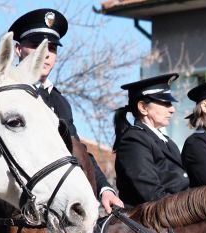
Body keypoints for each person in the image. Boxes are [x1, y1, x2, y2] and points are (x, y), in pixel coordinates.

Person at [8, 8, 122, 213]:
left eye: (52, 48)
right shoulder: (7, 94)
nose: (46, 55)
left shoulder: (59, 101)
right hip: (14, 204)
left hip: (59, 202)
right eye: (36, 46)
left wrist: (104, 189)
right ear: (18, 49)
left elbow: (78, 150)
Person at [112, 73, 190, 207]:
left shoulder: (167, 142)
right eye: (166, 103)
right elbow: (153, 195)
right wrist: (190, 210)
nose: (172, 109)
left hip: (174, 217)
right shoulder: (133, 140)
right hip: (147, 222)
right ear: (143, 107)